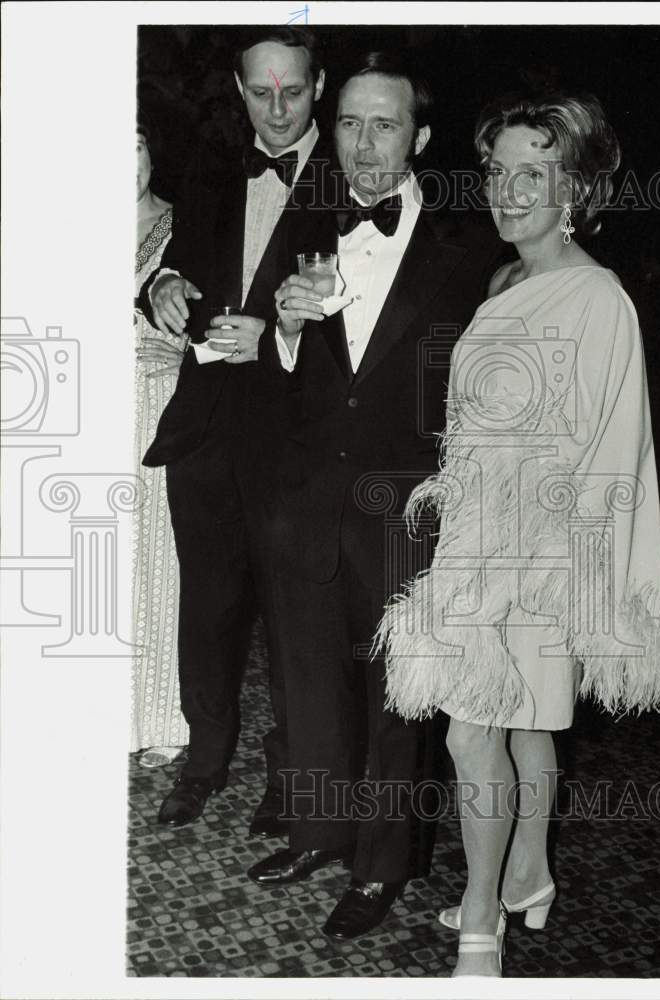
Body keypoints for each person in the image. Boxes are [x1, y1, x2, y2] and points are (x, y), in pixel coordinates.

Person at [376, 92, 660, 976]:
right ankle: (528, 874)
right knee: (524, 729)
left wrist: (560, 578)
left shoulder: (601, 299)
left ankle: (483, 919)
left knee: (472, 730)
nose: (508, 193)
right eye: (497, 173)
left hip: (541, 552)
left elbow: (610, 452)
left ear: (577, 187)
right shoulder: (504, 282)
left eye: (533, 175)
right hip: (478, 532)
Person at [234, 51, 500, 940]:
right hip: (307, 497)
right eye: (348, 122)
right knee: (307, 678)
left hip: (408, 508)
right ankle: (319, 830)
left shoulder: (470, 254)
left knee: (397, 700)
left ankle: (382, 869)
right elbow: (275, 368)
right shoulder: (308, 217)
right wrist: (285, 327)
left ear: (420, 136)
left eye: (383, 124)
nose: (361, 143)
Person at [137, 26, 328, 834]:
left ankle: (290, 784)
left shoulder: (353, 179)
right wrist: (168, 286)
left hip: (296, 442)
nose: (277, 109)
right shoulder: (212, 170)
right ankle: (203, 764)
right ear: (239, 89)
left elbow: (379, 330)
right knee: (206, 611)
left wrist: (288, 338)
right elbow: (177, 269)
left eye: (293, 90)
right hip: (207, 432)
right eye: (260, 91)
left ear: (320, 86)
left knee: (291, 623)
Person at [131, 120, 188, 767]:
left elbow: (213, 316)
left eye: (137, 144)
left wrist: (179, 354)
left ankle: (162, 717)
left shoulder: (184, 225)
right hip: (93, 406)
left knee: (158, 559)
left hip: (157, 407)